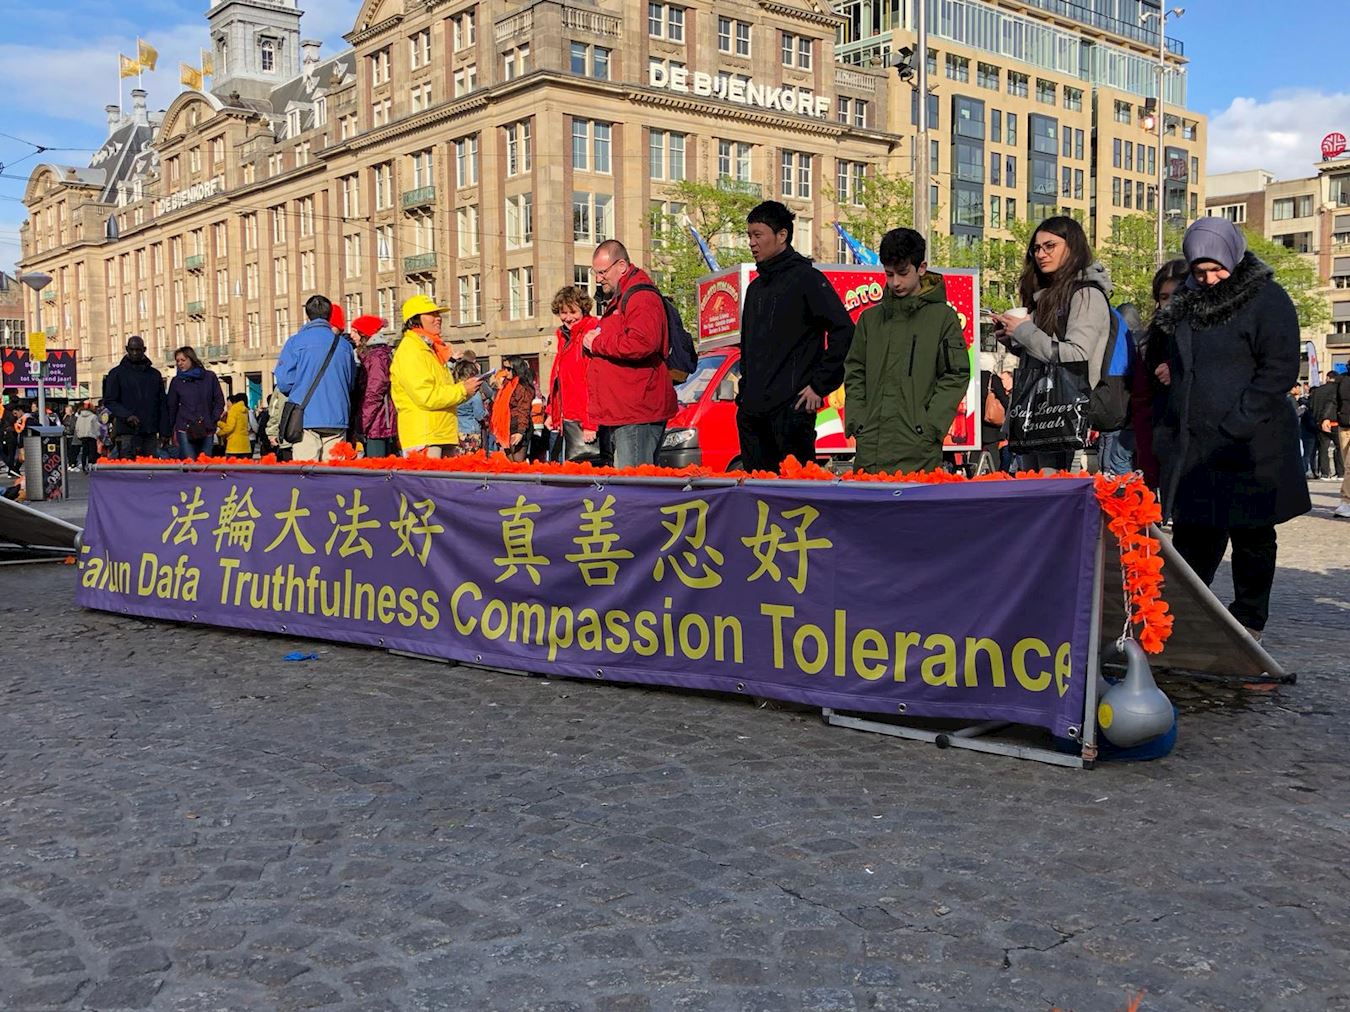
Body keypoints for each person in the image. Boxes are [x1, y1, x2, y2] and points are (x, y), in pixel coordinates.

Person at [1153, 217, 1309, 639]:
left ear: (1233, 258)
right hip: (1197, 443)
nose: (1208, 278)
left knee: (1251, 535)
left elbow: (1279, 368)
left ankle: (1248, 621)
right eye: (1199, 270)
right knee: (1194, 536)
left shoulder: (1266, 298)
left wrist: (1239, 420)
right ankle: (1181, 620)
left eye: (1215, 269)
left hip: (1249, 442)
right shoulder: (1186, 300)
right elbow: (1180, 357)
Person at [735, 201, 854, 472]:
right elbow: (747, 347)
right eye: (749, 235)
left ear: (782, 235)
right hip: (753, 415)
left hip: (791, 412)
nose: (752, 243)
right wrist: (744, 395)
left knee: (793, 491)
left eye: (758, 235)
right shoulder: (755, 288)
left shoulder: (807, 279)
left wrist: (820, 386)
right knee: (757, 491)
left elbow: (844, 330)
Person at [992, 215, 1113, 472]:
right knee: (1033, 486)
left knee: (1053, 487)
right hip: (1037, 413)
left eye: (1050, 246)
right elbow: (1047, 351)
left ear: (1073, 247)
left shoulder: (1086, 293)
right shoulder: (1049, 295)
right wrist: (1014, 341)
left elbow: (1077, 356)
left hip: (1062, 412)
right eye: (1036, 248)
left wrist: (1024, 331)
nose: (1041, 254)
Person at [843, 227, 969, 474]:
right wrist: (858, 420)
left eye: (902, 273)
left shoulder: (943, 318)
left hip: (919, 449)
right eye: (889, 274)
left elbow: (956, 374)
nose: (895, 282)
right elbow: (855, 371)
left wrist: (931, 425)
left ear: (921, 268)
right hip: (871, 447)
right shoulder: (870, 320)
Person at [582, 240, 678, 468]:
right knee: (631, 481)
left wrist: (597, 342)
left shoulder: (640, 296)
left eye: (602, 272)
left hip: (636, 411)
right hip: (628, 409)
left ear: (622, 266)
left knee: (634, 483)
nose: (598, 279)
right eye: (595, 273)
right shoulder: (625, 295)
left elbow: (642, 342)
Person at [390, 294, 478, 457]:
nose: (438, 318)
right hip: (425, 436)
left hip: (440, 433)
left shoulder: (429, 349)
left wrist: (466, 390)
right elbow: (426, 396)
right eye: (431, 314)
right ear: (415, 319)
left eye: (438, 314)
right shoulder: (411, 350)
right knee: (427, 475)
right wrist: (462, 390)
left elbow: (441, 392)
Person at [274, 294, 357, 462]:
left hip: (305, 417)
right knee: (334, 469)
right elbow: (350, 382)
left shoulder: (295, 342)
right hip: (337, 416)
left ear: (307, 314)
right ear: (329, 314)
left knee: (306, 471)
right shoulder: (344, 345)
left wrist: (300, 389)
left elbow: (284, 382)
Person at [1134, 259, 1192, 489]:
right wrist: (1147, 459)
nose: (1169, 304)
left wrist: (1178, 368)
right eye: (1164, 297)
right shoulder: (1150, 342)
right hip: (1164, 443)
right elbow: (1141, 402)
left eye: (1176, 295)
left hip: (1204, 447)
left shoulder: (1209, 332)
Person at [547, 285, 600, 462]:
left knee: (588, 470)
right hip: (569, 418)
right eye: (563, 312)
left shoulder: (590, 334)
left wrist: (590, 423)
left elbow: (594, 382)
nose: (568, 318)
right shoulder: (564, 337)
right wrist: (552, 413)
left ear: (583, 310)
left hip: (583, 420)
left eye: (573, 312)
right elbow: (559, 380)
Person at [103, 335, 169, 459]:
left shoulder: (154, 374)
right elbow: (110, 401)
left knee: (151, 466)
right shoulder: (116, 374)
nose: (135, 353)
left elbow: (162, 404)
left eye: (138, 350)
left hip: (150, 430)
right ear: (127, 349)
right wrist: (126, 415)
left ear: (144, 350)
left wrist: (165, 431)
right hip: (127, 431)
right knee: (128, 466)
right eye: (132, 350)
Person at [167, 346, 225, 459]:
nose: (180, 363)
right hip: (185, 428)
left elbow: (219, 401)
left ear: (191, 359)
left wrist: (213, 419)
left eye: (183, 360)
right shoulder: (176, 381)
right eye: (177, 361)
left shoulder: (209, 377)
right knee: (190, 463)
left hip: (206, 427)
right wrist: (170, 430)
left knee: (205, 463)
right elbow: (171, 406)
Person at [352, 314, 397, 457]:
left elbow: (374, 391)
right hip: (379, 420)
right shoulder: (377, 354)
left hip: (378, 423)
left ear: (364, 334)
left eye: (355, 331)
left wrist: (363, 422)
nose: (352, 335)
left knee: (376, 464)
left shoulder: (376, 357)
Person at [489, 356, 537, 462]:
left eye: (508, 369)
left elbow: (523, 409)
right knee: (510, 463)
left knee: (517, 463)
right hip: (507, 426)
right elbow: (498, 405)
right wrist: (499, 386)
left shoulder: (522, 386)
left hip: (518, 426)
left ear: (516, 368)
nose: (505, 371)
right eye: (504, 368)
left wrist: (520, 432)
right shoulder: (507, 385)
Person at [1310, 372, 1343, 480]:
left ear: (1327, 378)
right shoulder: (1339, 390)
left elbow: (1312, 406)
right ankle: (1340, 473)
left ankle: (1325, 473)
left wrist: (1318, 419)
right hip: (1337, 422)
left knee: (1323, 448)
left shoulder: (1317, 391)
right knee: (1340, 448)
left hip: (1320, 423)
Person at [453, 359, 487, 453]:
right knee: (472, 459)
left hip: (456, 431)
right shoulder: (474, 393)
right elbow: (479, 415)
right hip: (471, 431)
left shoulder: (454, 390)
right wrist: (486, 412)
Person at [1334, 365, 1350, 519]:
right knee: (1347, 465)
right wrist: (1327, 417)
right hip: (1344, 425)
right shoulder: (1342, 379)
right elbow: (1333, 400)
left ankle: (1346, 501)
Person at [217, 393, 252, 459]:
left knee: (232, 465)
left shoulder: (233, 410)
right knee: (245, 465)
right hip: (245, 446)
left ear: (234, 402)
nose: (227, 404)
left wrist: (219, 429)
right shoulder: (245, 411)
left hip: (233, 447)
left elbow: (229, 427)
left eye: (228, 402)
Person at [74, 401, 100, 471]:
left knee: (84, 451)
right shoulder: (93, 416)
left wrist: (79, 435)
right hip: (91, 436)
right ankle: (91, 465)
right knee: (92, 451)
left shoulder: (80, 416)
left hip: (82, 436)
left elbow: (77, 427)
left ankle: (84, 466)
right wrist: (97, 435)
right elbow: (97, 427)